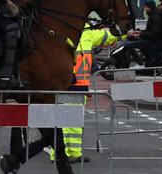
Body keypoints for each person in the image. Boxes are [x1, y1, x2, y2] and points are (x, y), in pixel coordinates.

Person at [50, 22, 120, 164]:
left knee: (71, 121)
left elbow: (107, 35)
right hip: (66, 84)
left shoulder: (86, 32)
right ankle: (62, 153)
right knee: (66, 121)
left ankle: (68, 152)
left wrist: (125, 33)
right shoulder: (61, 33)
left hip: (77, 86)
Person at [125, 0, 162, 65]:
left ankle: (140, 63)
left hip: (151, 41)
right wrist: (139, 32)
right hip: (149, 39)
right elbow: (150, 30)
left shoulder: (155, 17)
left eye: (145, 7)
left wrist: (141, 34)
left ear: (149, 7)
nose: (144, 8)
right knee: (132, 41)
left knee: (129, 45)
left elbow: (154, 32)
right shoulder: (153, 15)